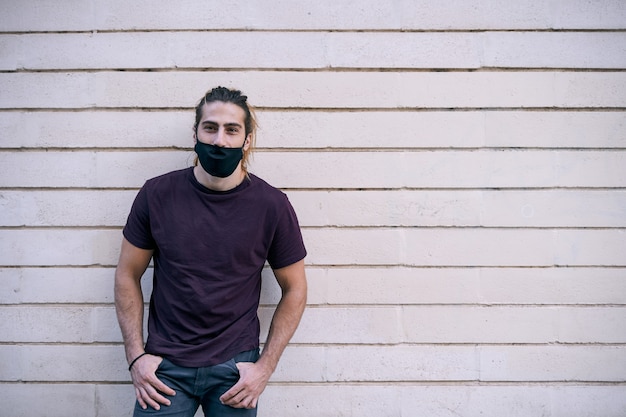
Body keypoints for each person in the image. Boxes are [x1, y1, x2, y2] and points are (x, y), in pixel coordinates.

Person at [114, 86, 308, 417]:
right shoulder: (157, 194)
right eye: (210, 127)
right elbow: (126, 275)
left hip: (235, 371)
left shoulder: (271, 205)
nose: (219, 140)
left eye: (231, 130)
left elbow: (296, 289)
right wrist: (136, 356)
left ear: (246, 140)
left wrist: (264, 367)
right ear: (196, 133)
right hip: (165, 368)